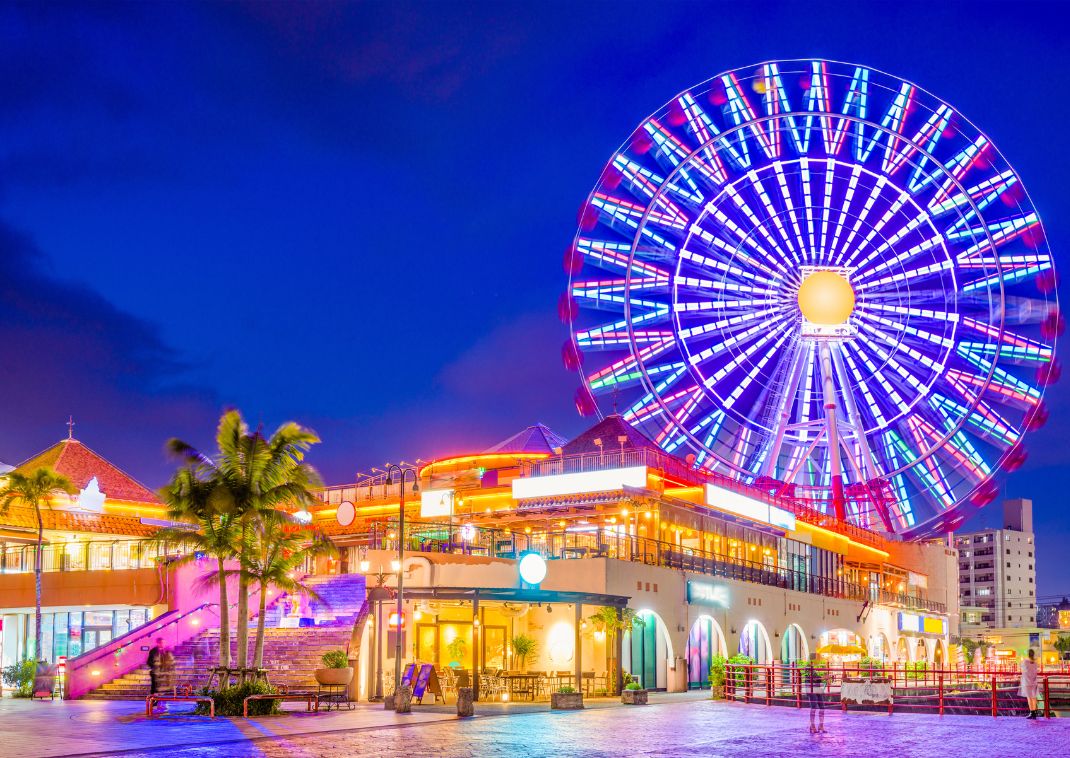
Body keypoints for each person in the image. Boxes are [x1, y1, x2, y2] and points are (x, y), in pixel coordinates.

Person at [1020, 648, 1040, 719]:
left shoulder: (1025, 661)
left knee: (1029, 698)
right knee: (1034, 697)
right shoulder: (1035, 662)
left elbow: (1022, 669)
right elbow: (1036, 671)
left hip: (1027, 682)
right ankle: (1034, 712)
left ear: (1027, 654)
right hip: (1034, 682)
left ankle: (1032, 712)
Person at [806, 659, 825, 734]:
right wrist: (823, 678)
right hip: (811, 689)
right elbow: (814, 677)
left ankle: (821, 725)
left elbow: (817, 678)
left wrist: (822, 678)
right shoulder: (808, 668)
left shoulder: (813, 669)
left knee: (822, 707)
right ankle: (812, 725)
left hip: (817, 688)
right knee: (813, 707)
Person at [147, 637, 166, 710]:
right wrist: (155, 666)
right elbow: (149, 662)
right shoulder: (153, 651)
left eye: (164, 643)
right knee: (154, 688)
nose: (163, 644)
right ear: (158, 643)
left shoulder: (164, 651)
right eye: (161, 643)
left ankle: (160, 703)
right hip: (155, 673)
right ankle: (153, 702)